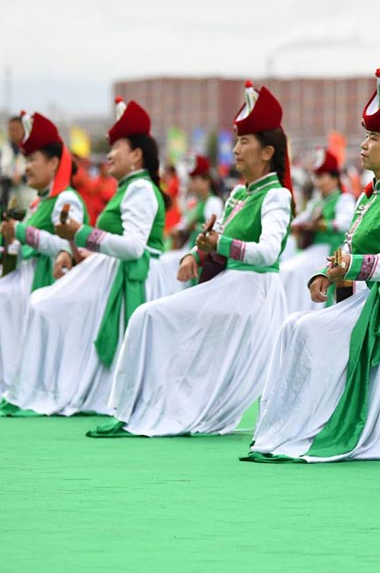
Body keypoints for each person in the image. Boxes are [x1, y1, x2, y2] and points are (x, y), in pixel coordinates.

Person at [242, 68, 380, 463]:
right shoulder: (370, 196)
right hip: (374, 298)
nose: (364, 145)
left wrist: (354, 266)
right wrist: (328, 271)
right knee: (295, 325)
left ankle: (323, 423)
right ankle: (293, 424)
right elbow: (349, 245)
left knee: (310, 330)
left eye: (373, 138)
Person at [86, 81, 293, 438]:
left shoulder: (277, 196)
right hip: (228, 286)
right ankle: (137, 407)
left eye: (245, 142)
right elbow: (215, 236)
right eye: (237, 140)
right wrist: (195, 254)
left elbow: (269, 253)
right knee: (150, 316)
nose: (236, 149)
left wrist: (221, 243)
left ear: (267, 152)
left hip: (253, 292)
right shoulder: (238, 194)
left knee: (152, 316)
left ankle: (144, 408)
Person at [3, 97, 169, 417]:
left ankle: (40, 387)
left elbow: (133, 247)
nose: (108, 154)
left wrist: (76, 236)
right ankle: (37, 386)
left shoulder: (138, 189)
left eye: (116, 147)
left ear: (136, 154)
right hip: (108, 273)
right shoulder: (128, 188)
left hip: (131, 278)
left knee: (44, 305)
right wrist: (77, 249)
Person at [0, 112, 87, 399]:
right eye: (25, 160)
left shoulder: (66, 199)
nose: (26, 167)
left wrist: (22, 232)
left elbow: (70, 247)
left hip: (50, 280)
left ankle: (13, 383)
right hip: (27, 275)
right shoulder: (39, 202)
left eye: (32, 159)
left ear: (53, 163)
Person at [280, 148, 355, 312]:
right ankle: (292, 311)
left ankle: (306, 309)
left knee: (291, 270)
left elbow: (345, 223)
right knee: (285, 268)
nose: (317, 182)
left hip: (332, 252)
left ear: (334, 178)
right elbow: (299, 220)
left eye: (321, 177)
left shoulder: (344, 199)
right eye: (316, 177)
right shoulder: (317, 203)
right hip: (314, 250)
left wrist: (319, 225)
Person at [157, 155, 224, 295]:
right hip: (189, 246)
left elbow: (216, 230)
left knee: (165, 262)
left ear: (206, 181)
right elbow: (184, 223)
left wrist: (192, 228)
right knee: (164, 260)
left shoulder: (213, 202)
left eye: (195, 180)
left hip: (200, 251)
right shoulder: (197, 202)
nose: (192, 184)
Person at [1, 115, 36, 210]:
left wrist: (22, 178)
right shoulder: (3, 149)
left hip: (28, 199)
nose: (13, 133)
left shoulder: (33, 150)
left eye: (17, 129)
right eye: (11, 129)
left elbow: (40, 172)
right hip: (7, 199)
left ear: (24, 130)